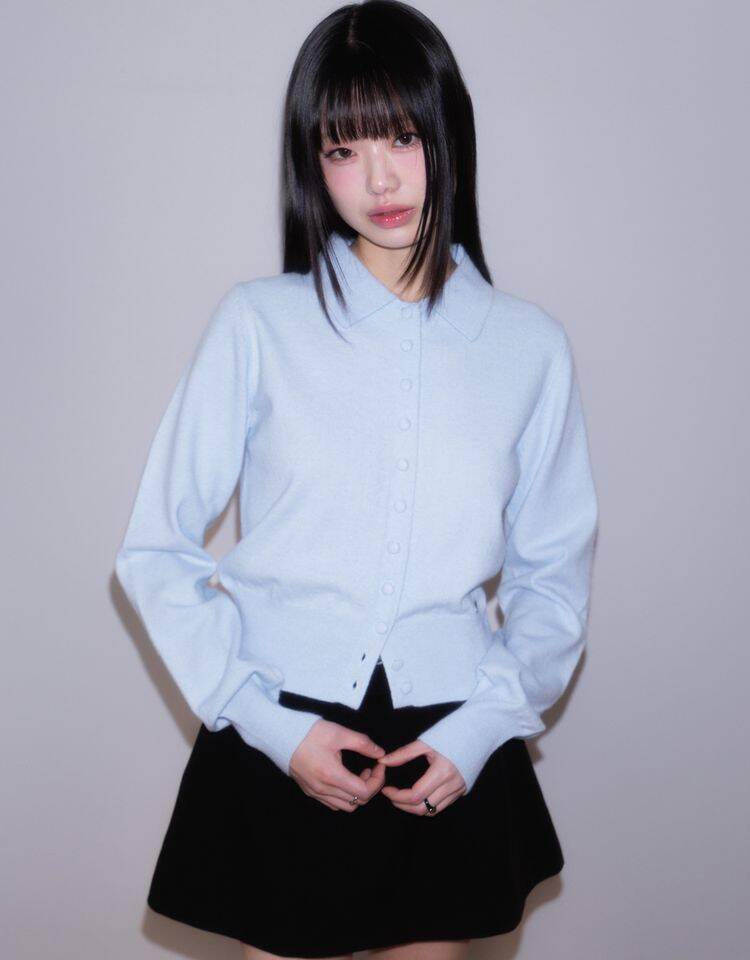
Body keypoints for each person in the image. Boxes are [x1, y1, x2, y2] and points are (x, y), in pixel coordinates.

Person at [113, 1, 600, 958]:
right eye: (343, 149)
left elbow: (554, 581)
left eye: (403, 137)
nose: (378, 178)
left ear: (448, 134)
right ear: (312, 162)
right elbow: (154, 551)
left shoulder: (529, 349)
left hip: (449, 748)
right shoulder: (259, 325)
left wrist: (479, 731)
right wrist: (267, 726)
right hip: (281, 733)